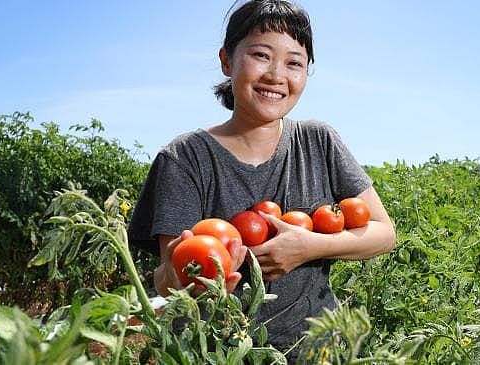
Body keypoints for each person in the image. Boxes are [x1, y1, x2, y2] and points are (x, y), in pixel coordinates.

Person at [127, 0, 396, 361]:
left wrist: (310, 246)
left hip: (315, 348)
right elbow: (170, 274)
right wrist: (179, 276)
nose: (276, 75)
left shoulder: (319, 141)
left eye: (294, 63)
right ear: (226, 60)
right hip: (217, 351)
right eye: (261, 55)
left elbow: (384, 233)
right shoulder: (184, 158)